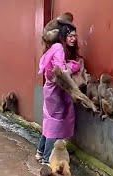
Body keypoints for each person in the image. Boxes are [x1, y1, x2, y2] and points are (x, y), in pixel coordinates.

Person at [35, 23, 82, 165]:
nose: (73, 39)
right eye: (70, 36)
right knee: (54, 125)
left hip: (54, 90)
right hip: (54, 91)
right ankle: (46, 159)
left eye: (75, 36)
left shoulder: (57, 48)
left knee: (50, 122)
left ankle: (40, 152)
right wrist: (74, 66)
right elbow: (59, 71)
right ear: (63, 37)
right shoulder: (59, 48)